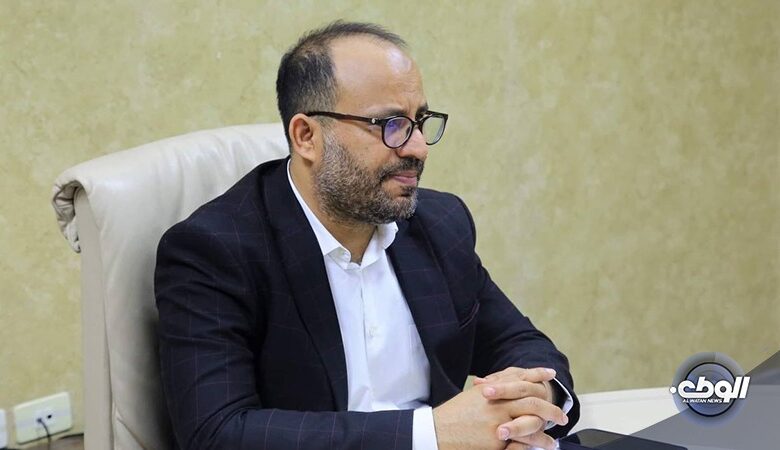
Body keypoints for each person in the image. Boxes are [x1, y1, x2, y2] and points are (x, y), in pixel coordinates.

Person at [155, 21, 580, 450]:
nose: (418, 147)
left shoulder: (438, 223)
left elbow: (520, 343)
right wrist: (432, 433)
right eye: (390, 124)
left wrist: (532, 404)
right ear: (306, 136)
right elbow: (218, 433)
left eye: (420, 121)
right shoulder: (215, 250)